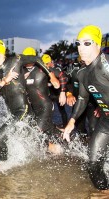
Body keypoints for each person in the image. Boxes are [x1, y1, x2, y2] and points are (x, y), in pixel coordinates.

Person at [0, 39, 60, 161]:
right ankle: (52, 146)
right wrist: (4, 81)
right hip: (11, 111)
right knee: (30, 136)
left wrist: (51, 76)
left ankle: (3, 165)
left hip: (22, 110)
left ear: (2, 52)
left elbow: (36, 59)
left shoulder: (16, 60)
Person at [63, 25, 109, 190]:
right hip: (106, 121)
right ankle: (105, 191)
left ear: (98, 45)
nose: (81, 48)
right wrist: (71, 121)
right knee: (93, 163)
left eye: (87, 43)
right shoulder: (82, 73)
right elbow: (82, 98)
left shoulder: (105, 65)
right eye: (78, 43)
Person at [22, 47, 66, 153]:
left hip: (45, 105)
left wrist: (63, 92)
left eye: (29, 58)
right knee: (49, 129)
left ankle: (51, 147)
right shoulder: (21, 71)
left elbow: (61, 75)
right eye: (25, 58)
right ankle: (68, 139)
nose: (26, 60)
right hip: (33, 107)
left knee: (36, 130)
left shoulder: (42, 68)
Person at [42, 54, 68, 127]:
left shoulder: (57, 69)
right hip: (49, 93)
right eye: (45, 63)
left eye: (48, 63)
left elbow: (65, 79)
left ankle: (65, 126)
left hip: (58, 93)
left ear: (51, 61)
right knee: (48, 110)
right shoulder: (42, 69)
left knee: (62, 110)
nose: (47, 65)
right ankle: (49, 126)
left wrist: (65, 93)